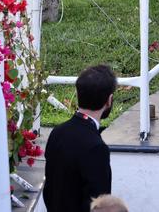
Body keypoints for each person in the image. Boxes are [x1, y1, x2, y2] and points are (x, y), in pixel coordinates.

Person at [43, 65, 116, 212]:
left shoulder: (57, 133)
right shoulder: (96, 148)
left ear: (77, 94)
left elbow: (49, 191)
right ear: (109, 100)